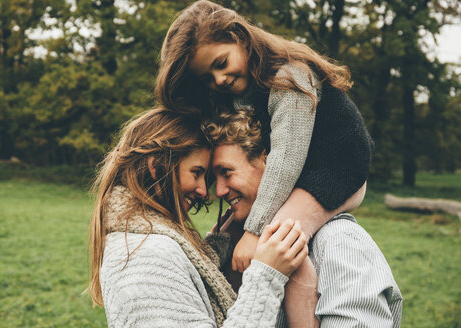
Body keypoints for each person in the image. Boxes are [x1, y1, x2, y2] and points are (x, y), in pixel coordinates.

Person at [155, 0, 374, 282]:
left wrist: (255, 231)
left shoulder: (290, 78)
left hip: (334, 172)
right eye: (207, 77)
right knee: (225, 238)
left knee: (276, 250)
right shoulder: (241, 93)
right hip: (300, 176)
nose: (219, 79)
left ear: (240, 39)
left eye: (221, 63)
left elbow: (285, 158)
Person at [86, 107, 310, 327]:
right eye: (196, 172)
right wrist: (266, 276)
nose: (205, 191)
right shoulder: (144, 257)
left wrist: (221, 242)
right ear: (156, 167)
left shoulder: (144, 242)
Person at [204, 109, 403, 327]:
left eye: (227, 172)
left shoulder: (340, 243)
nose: (219, 191)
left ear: (268, 160)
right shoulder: (232, 241)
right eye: (215, 178)